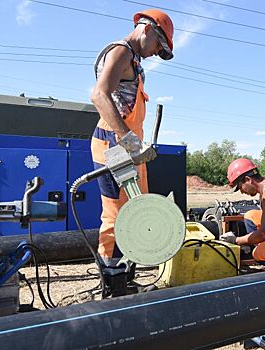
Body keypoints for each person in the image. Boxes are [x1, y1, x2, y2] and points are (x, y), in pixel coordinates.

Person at [90, 9, 174, 267]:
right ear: (147, 29)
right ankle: (110, 273)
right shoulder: (121, 51)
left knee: (138, 210)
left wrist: (135, 143)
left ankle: (128, 270)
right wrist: (128, 141)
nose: (155, 52)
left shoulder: (134, 59)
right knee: (118, 215)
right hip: (114, 143)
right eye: (158, 45)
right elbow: (99, 96)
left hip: (130, 144)